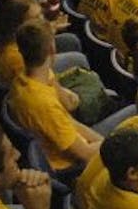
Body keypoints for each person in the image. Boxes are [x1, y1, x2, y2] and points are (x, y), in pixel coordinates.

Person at [8, 21, 102, 172]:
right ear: (52, 49)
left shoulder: (21, 80)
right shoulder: (44, 105)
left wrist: (99, 139)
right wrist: (109, 142)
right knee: (131, 115)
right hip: (70, 165)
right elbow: (84, 154)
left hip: (73, 139)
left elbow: (69, 116)